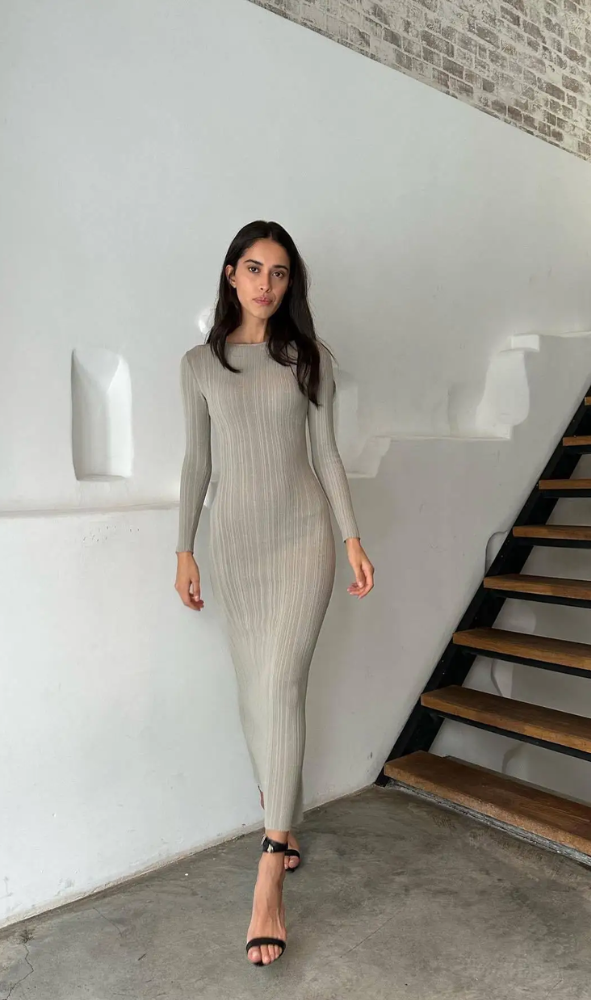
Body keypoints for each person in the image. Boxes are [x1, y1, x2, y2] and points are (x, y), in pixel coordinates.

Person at [174, 220, 374, 967]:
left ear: (291, 284)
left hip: (302, 542)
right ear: (231, 274)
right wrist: (184, 549)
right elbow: (196, 464)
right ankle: (281, 811)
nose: (266, 283)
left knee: (283, 684)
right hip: (234, 547)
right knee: (253, 693)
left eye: (279, 272)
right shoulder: (199, 365)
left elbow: (326, 455)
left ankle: (269, 871)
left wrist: (352, 538)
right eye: (254, 268)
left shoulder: (309, 360)